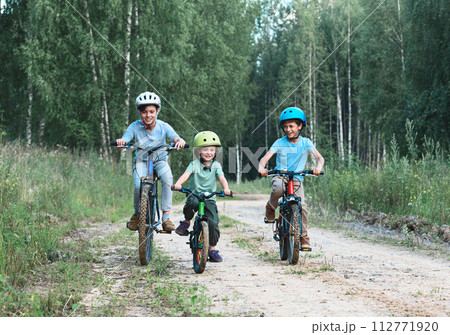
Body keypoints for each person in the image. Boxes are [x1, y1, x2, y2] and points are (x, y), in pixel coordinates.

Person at [115, 91, 185, 232]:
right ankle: (137, 214)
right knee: (138, 186)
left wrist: (179, 141)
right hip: (142, 161)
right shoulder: (134, 126)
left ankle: (165, 217)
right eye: (144, 112)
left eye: (152, 111)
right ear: (139, 112)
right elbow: (126, 139)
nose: (148, 115)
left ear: (157, 110)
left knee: (167, 178)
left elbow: (175, 137)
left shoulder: (163, 126)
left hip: (159, 160)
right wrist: (122, 142)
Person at [258, 107, 324, 250]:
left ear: (300, 126)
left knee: (303, 207)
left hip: (297, 179)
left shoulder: (306, 142)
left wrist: (318, 167)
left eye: (291, 126)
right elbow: (265, 158)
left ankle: (303, 237)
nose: (288, 129)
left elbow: (320, 157)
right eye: (286, 126)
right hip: (281, 176)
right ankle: (271, 207)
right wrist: (261, 168)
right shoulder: (279, 142)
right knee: (278, 188)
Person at [173, 131, 231, 262]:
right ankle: (186, 222)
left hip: (209, 198)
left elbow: (222, 178)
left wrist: (226, 188)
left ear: (215, 152)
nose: (209, 152)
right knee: (190, 203)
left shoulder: (216, 165)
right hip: (195, 194)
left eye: (212, 150)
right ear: (198, 151)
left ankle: (212, 249)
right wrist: (178, 184)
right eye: (205, 150)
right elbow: (186, 175)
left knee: (214, 223)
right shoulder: (194, 164)